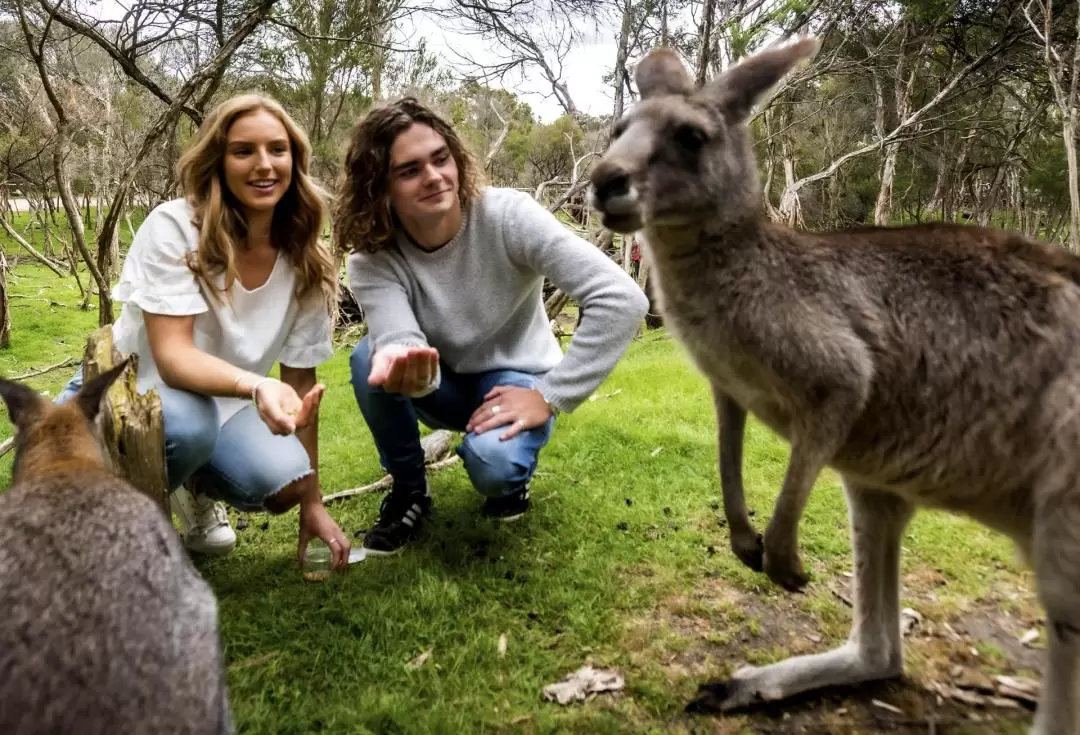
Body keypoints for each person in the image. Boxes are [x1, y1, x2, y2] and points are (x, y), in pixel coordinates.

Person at [332, 97, 650, 556]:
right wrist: (402, 360)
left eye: (441, 159)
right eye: (409, 170)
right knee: (369, 357)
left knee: (495, 467)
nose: (434, 176)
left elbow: (621, 299)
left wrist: (551, 394)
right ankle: (409, 493)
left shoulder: (507, 216)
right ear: (380, 187)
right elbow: (398, 335)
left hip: (515, 377)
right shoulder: (373, 259)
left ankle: (507, 481)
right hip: (438, 383)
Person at [56, 94, 352, 569]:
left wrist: (312, 504)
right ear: (218, 161)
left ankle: (191, 488)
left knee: (288, 478)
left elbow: (301, 388)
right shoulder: (176, 227)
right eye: (243, 151)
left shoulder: (307, 261)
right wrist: (258, 384)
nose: (264, 165)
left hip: (224, 404)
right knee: (189, 424)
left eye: (278, 149)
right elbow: (172, 358)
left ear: (296, 160)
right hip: (132, 391)